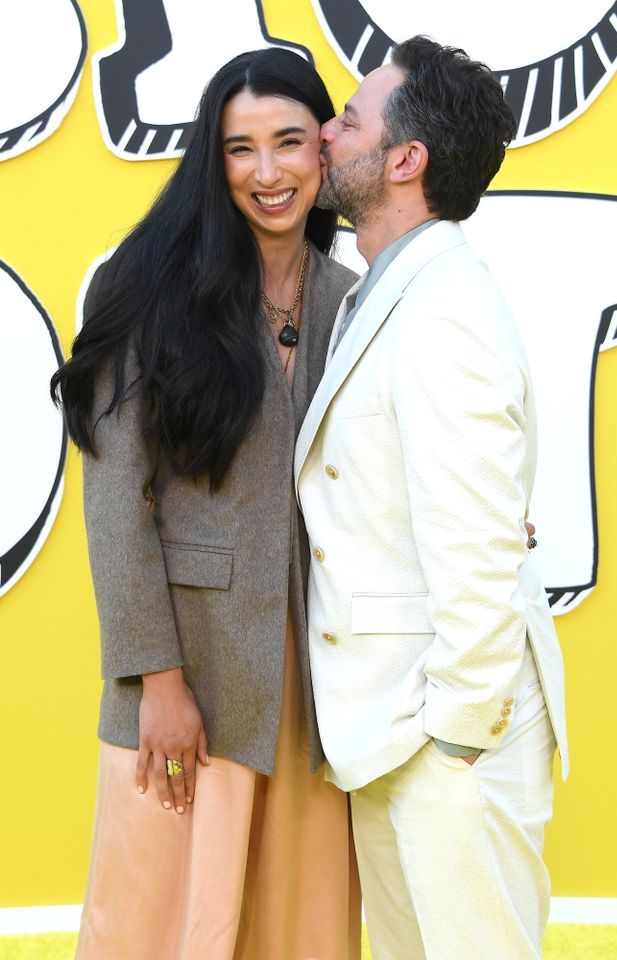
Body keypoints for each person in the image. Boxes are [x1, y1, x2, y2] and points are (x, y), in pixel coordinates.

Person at [51, 49, 361, 960]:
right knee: (157, 923)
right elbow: (115, 497)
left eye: (289, 143)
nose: (268, 174)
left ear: (323, 151)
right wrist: (157, 678)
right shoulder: (147, 289)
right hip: (190, 678)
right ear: (210, 159)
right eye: (240, 149)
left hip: (317, 684)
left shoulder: (361, 300)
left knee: (296, 929)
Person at [294, 37, 568, 960]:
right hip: (392, 731)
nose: (321, 137)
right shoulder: (389, 291)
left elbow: (480, 544)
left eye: (347, 121)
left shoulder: (444, 309)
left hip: (444, 738)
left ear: (403, 161)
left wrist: (454, 739)